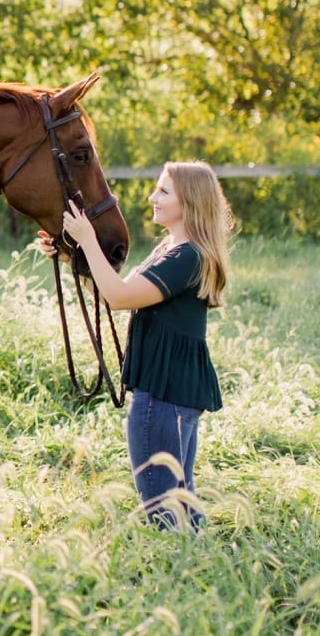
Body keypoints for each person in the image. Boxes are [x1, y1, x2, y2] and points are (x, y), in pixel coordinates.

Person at [38, 160, 233, 531]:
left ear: (189, 201)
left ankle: (175, 574)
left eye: (163, 191)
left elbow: (118, 297)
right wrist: (71, 256)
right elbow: (115, 289)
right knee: (180, 497)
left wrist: (87, 239)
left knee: (161, 506)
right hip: (174, 390)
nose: (152, 197)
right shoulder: (174, 250)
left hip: (162, 395)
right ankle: (202, 567)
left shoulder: (184, 256)